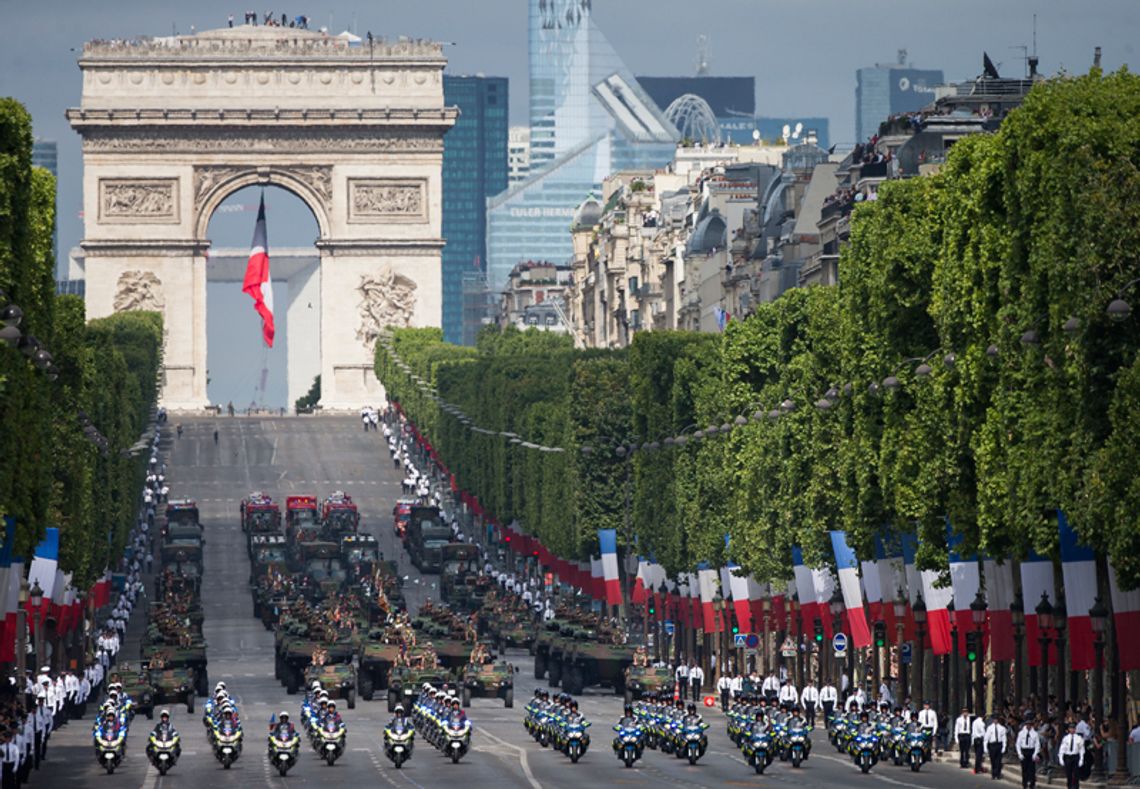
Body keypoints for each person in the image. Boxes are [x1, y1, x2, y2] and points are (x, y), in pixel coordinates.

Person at [1058, 721, 1085, 789]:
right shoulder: (1066, 738)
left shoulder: (1079, 738)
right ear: (1069, 729)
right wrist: (1061, 758)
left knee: (1076, 774)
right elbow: (1062, 749)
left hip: (1075, 756)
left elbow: (1081, 749)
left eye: (1073, 728)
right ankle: (1069, 786)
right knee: (1068, 773)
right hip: (1068, 757)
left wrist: (1081, 759)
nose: (1072, 730)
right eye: (1071, 728)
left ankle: (1076, 787)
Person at [1016, 717, 1041, 789]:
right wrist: (1019, 754)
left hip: (1031, 751)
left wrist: (1035, 754)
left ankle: (1032, 784)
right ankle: (1024, 783)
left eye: (1030, 724)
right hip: (1024, 751)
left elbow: (1037, 745)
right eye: (1027, 724)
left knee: (1032, 769)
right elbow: (1018, 744)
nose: (1028, 726)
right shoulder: (1021, 733)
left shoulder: (1035, 734)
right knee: (1024, 769)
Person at [985, 715, 1008, 779]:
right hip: (992, 745)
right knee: (993, 760)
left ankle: (997, 774)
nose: (995, 720)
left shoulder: (1002, 728)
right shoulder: (989, 728)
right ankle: (993, 774)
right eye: (994, 719)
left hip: (999, 745)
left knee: (998, 761)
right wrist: (985, 747)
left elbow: (1004, 738)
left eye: (996, 719)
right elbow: (986, 738)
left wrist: (1004, 747)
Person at [972, 709, 988, 773]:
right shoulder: (981, 723)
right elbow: (983, 733)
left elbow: (973, 732)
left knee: (977, 754)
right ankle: (977, 768)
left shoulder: (974, 722)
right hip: (979, 739)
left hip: (975, 739)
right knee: (979, 755)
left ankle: (978, 767)